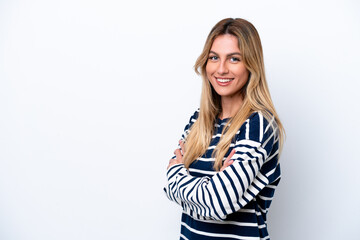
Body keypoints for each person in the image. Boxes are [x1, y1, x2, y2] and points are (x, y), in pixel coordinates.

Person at [164, 18, 285, 240]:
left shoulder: (258, 126)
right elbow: (173, 190)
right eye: (214, 58)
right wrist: (211, 186)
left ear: (251, 65)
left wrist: (177, 175)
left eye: (234, 59)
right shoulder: (198, 121)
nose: (221, 69)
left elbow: (217, 204)